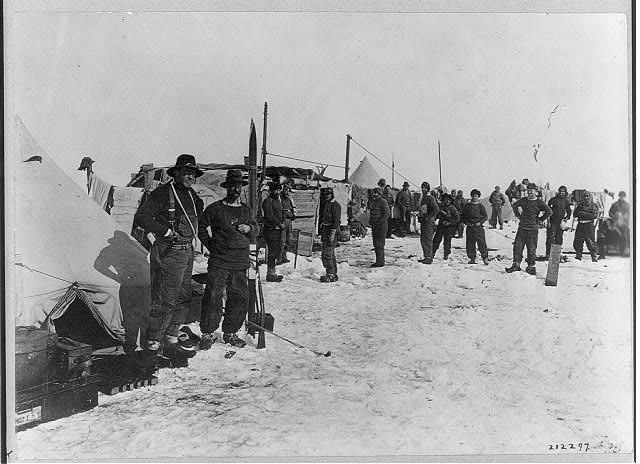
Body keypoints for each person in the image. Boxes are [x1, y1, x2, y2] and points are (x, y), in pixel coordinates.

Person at [133, 154, 204, 368]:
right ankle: (152, 348)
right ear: (177, 173)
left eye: (193, 173)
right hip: (169, 252)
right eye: (186, 172)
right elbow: (141, 218)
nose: (190, 176)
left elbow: (198, 213)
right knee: (165, 300)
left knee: (183, 298)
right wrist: (163, 230)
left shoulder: (193, 196)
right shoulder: (163, 193)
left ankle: (171, 340)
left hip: (187, 252)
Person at [197, 169, 259, 349]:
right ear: (226, 187)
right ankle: (208, 333)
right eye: (232, 186)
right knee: (213, 295)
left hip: (240, 261)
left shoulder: (246, 210)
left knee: (239, 297)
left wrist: (249, 228)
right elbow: (201, 227)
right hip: (219, 261)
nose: (235, 190)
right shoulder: (215, 209)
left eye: (238, 186)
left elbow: (256, 229)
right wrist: (211, 245)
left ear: (241, 188)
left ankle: (231, 332)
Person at [506, 183, 552, 274]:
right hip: (522, 228)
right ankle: (516, 264)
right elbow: (515, 206)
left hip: (533, 229)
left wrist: (540, 219)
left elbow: (549, 211)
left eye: (532, 191)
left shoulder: (539, 202)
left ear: (536, 191)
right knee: (517, 247)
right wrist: (519, 216)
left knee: (531, 248)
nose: (530, 192)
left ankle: (531, 266)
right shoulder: (523, 200)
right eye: (528, 190)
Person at [261, 181, 285, 282]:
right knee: (272, 252)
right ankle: (270, 274)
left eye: (279, 190)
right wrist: (279, 224)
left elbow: (280, 213)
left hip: (277, 230)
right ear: (271, 191)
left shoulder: (277, 201)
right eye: (276, 190)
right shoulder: (267, 201)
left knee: (275, 251)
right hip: (270, 230)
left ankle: (272, 272)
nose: (278, 192)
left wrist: (283, 222)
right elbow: (269, 215)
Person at [461, 189, 489, 265]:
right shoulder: (467, 206)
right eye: (473, 195)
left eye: (476, 195)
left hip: (478, 228)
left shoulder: (480, 206)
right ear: (471, 196)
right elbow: (463, 217)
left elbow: (485, 216)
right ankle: (472, 258)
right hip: (470, 227)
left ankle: (485, 258)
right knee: (470, 243)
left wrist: (480, 222)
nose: (474, 197)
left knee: (482, 243)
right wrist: (467, 223)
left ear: (478, 196)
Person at [543, 185, 572, 259]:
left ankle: (556, 254)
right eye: (561, 191)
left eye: (563, 191)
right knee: (550, 237)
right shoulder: (553, 200)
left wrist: (566, 218)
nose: (562, 193)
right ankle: (548, 254)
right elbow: (547, 210)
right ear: (558, 191)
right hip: (552, 221)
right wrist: (547, 220)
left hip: (560, 222)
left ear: (565, 193)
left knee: (559, 238)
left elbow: (569, 211)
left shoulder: (566, 201)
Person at [320, 188, 341, 282]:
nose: (327, 196)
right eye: (325, 194)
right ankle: (332, 273)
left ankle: (331, 274)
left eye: (328, 194)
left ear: (332, 194)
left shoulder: (336, 205)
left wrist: (332, 234)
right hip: (325, 230)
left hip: (332, 231)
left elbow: (336, 221)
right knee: (330, 253)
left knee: (327, 253)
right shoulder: (327, 204)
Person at [572, 191, 599, 261]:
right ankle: (578, 256)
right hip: (580, 225)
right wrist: (586, 213)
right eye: (585, 196)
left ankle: (593, 257)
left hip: (589, 225)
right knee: (578, 241)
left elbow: (594, 216)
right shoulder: (580, 205)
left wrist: (582, 213)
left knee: (591, 242)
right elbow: (575, 214)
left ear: (590, 197)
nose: (586, 198)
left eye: (587, 196)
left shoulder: (594, 205)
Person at [432, 193, 459, 260]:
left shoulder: (453, 208)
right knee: (436, 240)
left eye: (449, 200)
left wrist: (450, 223)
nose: (447, 201)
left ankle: (446, 254)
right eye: (446, 200)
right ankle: (432, 253)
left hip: (449, 228)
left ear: (451, 201)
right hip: (441, 226)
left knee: (447, 242)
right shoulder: (441, 207)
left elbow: (457, 219)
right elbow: (436, 214)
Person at [418, 182, 439, 264]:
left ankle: (429, 257)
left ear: (428, 189)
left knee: (428, 239)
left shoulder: (430, 198)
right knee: (423, 238)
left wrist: (429, 217)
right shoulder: (423, 197)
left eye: (425, 188)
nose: (423, 189)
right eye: (422, 187)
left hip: (429, 221)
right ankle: (426, 256)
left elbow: (436, 209)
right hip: (424, 221)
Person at [369, 187, 390, 267]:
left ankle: (380, 262)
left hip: (381, 226)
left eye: (376, 193)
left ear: (380, 194)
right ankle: (378, 260)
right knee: (376, 243)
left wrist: (379, 222)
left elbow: (387, 214)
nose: (374, 194)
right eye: (374, 193)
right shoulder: (374, 202)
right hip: (375, 225)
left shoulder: (383, 202)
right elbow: (373, 212)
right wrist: (371, 220)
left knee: (380, 244)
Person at [608, 190, 630, 255]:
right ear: (619, 196)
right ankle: (614, 248)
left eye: (623, 196)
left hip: (624, 223)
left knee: (624, 235)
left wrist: (626, 216)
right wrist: (614, 216)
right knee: (615, 233)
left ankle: (623, 250)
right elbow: (610, 213)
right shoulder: (615, 204)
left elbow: (629, 213)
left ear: (624, 197)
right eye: (620, 196)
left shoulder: (627, 205)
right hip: (615, 223)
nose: (621, 197)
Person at [279, 184, 296, 264]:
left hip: (289, 221)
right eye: (285, 189)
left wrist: (293, 214)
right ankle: (279, 258)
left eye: (288, 190)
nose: (286, 191)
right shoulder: (279, 199)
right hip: (282, 221)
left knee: (288, 240)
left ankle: (284, 256)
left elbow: (294, 209)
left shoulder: (290, 199)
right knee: (282, 240)